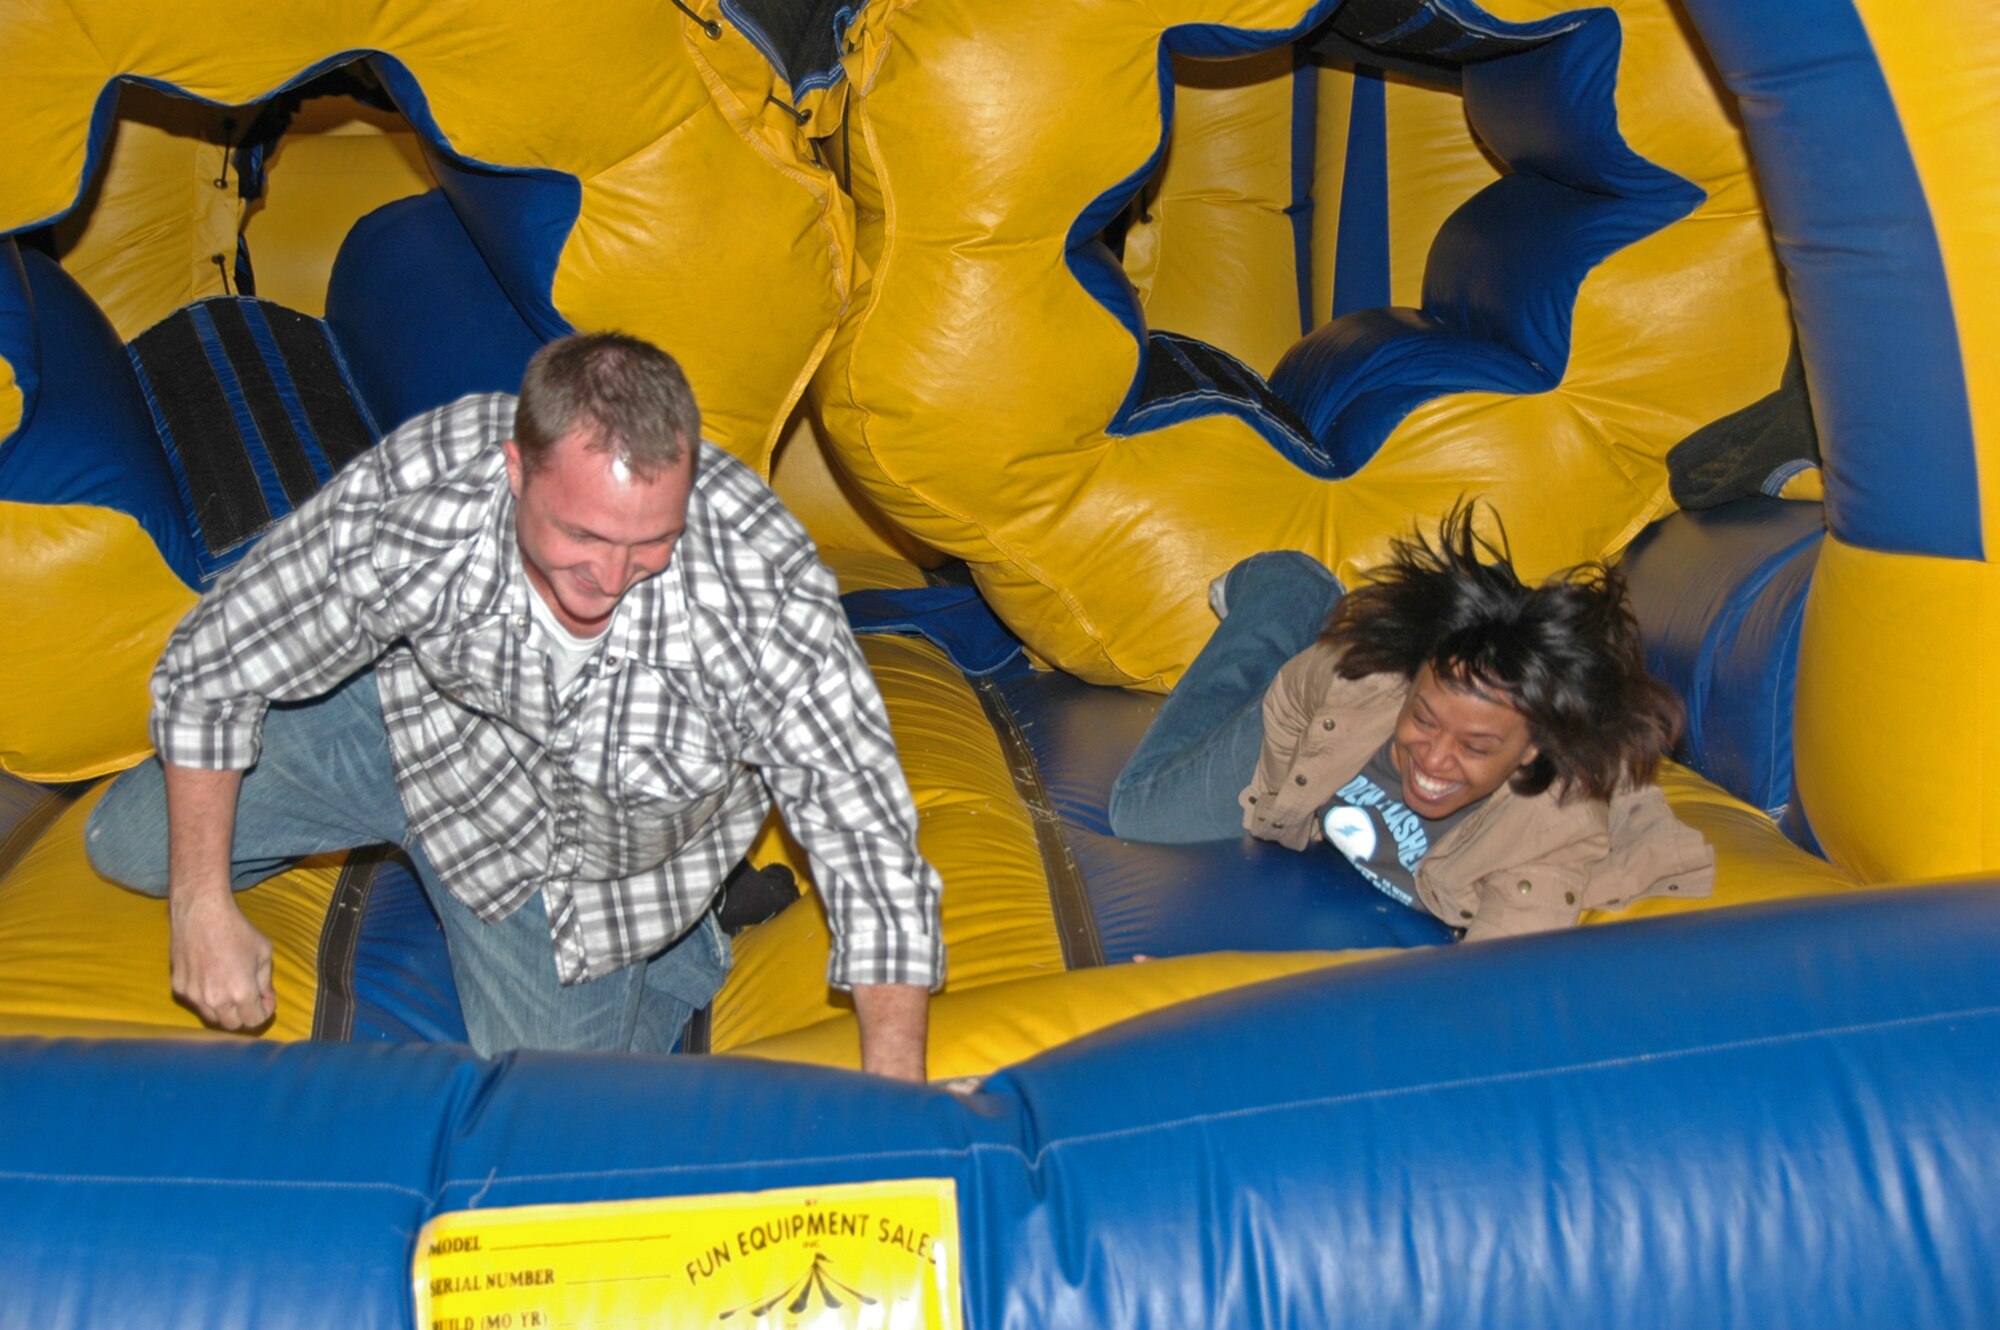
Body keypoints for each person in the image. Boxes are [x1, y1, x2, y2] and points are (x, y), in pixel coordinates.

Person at [87, 333, 943, 1078]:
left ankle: (694, 937)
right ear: (513, 471)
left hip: (588, 860)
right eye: (582, 538)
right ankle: (375, 831)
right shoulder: (430, 491)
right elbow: (216, 660)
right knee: (129, 844)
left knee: (550, 1099)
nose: (609, 582)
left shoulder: (761, 588)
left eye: (651, 544)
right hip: (413, 730)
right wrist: (203, 907)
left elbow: (866, 837)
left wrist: (897, 1097)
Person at [1108, 505, 1713, 939]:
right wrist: (1289, 796)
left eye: (1476, 746)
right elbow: (1297, 692)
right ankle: (1288, 590)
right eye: (1425, 719)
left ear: (1531, 752)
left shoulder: (1545, 834)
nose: (1434, 759)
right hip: (1328, 730)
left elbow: (1481, 999)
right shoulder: (1361, 684)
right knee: (1138, 810)